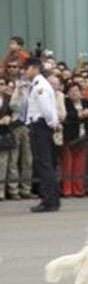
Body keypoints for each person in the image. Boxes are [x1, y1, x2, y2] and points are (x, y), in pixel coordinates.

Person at [25, 57, 60, 212]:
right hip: (40, 125)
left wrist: (52, 123)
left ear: (35, 68)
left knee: (44, 164)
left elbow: (46, 109)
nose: (25, 72)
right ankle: (51, 199)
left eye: (27, 68)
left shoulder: (40, 85)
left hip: (40, 126)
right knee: (45, 164)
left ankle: (49, 200)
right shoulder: (37, 84)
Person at [60, 82, 88, 197]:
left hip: (83, 137)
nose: (74, 93)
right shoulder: (65, 103)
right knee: (67, 165)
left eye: (76, 90)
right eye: (71, 91)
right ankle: (67, 190)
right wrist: (79, 115)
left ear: (81, 92)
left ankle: (79, 190)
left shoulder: (86, 102)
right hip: (69, 138)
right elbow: (65, 116)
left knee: (80, 165)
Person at [8, 69, 33, 197]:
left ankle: (26, 189)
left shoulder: (34, 89)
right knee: (14, 158)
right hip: (16, 125)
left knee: (28, 159)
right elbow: (13, 106)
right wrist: (18, 91)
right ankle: (13, 189)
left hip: (29, 126)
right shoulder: (16, 89)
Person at [0, 76, 16, 200]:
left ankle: (6, 191)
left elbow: (13, 113)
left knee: (7, 164)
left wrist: (9, 118)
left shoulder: (9, 99)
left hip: (6, 134)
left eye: (2, 84)